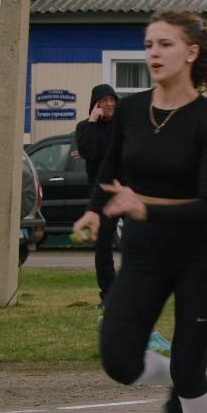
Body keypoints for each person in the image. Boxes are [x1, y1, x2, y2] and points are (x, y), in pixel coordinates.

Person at [73, 11, 207, 413]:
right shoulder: (129, 110)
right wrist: (93, 209)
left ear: (191, 53)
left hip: (202, 256)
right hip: (145, 254)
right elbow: (110, 173)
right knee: (119, 359)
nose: (154, 53)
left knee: (191, 366)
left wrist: (147, 206)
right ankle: (176, 382)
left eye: (165, 44)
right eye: (148, 45)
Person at [75, 84, 120, 306]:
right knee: (103, 246)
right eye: (105, 100)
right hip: (100, 194)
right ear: (96, 104)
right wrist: (93, 122)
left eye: (113, 99)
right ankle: (109, 295)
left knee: (136, 243)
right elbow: (89, 152)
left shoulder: (122, 126)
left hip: (125, 191)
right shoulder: (84, 127)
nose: (110, 104)